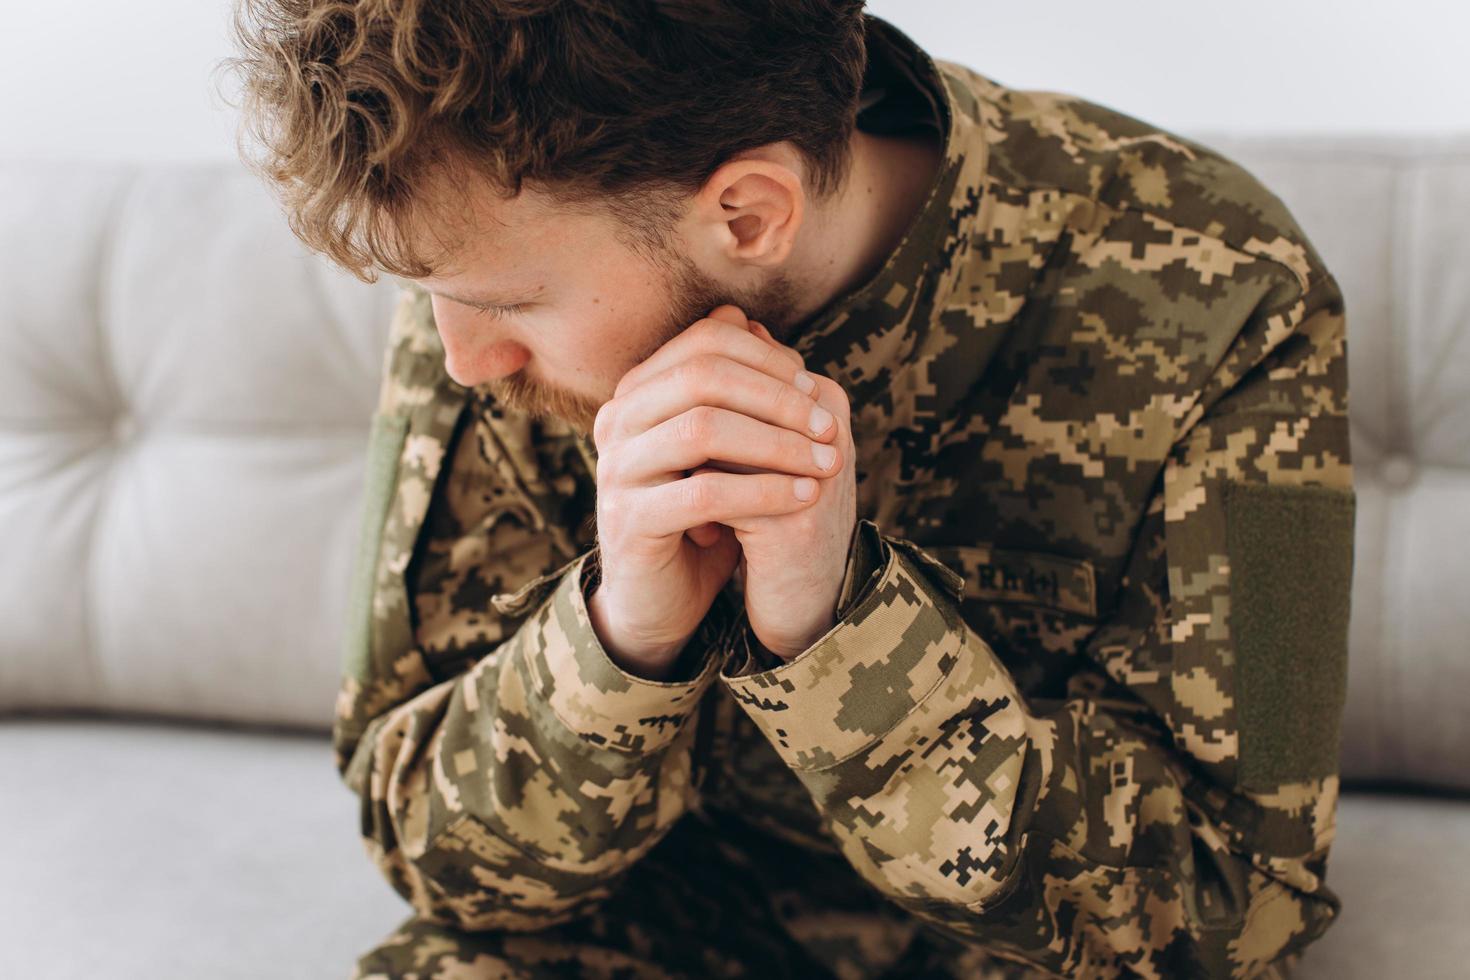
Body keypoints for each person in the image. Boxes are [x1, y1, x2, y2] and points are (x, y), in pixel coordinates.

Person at [225, 2, 1354, 977]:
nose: (462, 358)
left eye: (509, 304)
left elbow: (1236, 910)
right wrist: (623, 640)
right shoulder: (478, 268)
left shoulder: (1224, 292)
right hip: (652, 928)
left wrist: (839, 630)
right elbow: (424, 839)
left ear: (748, 214)